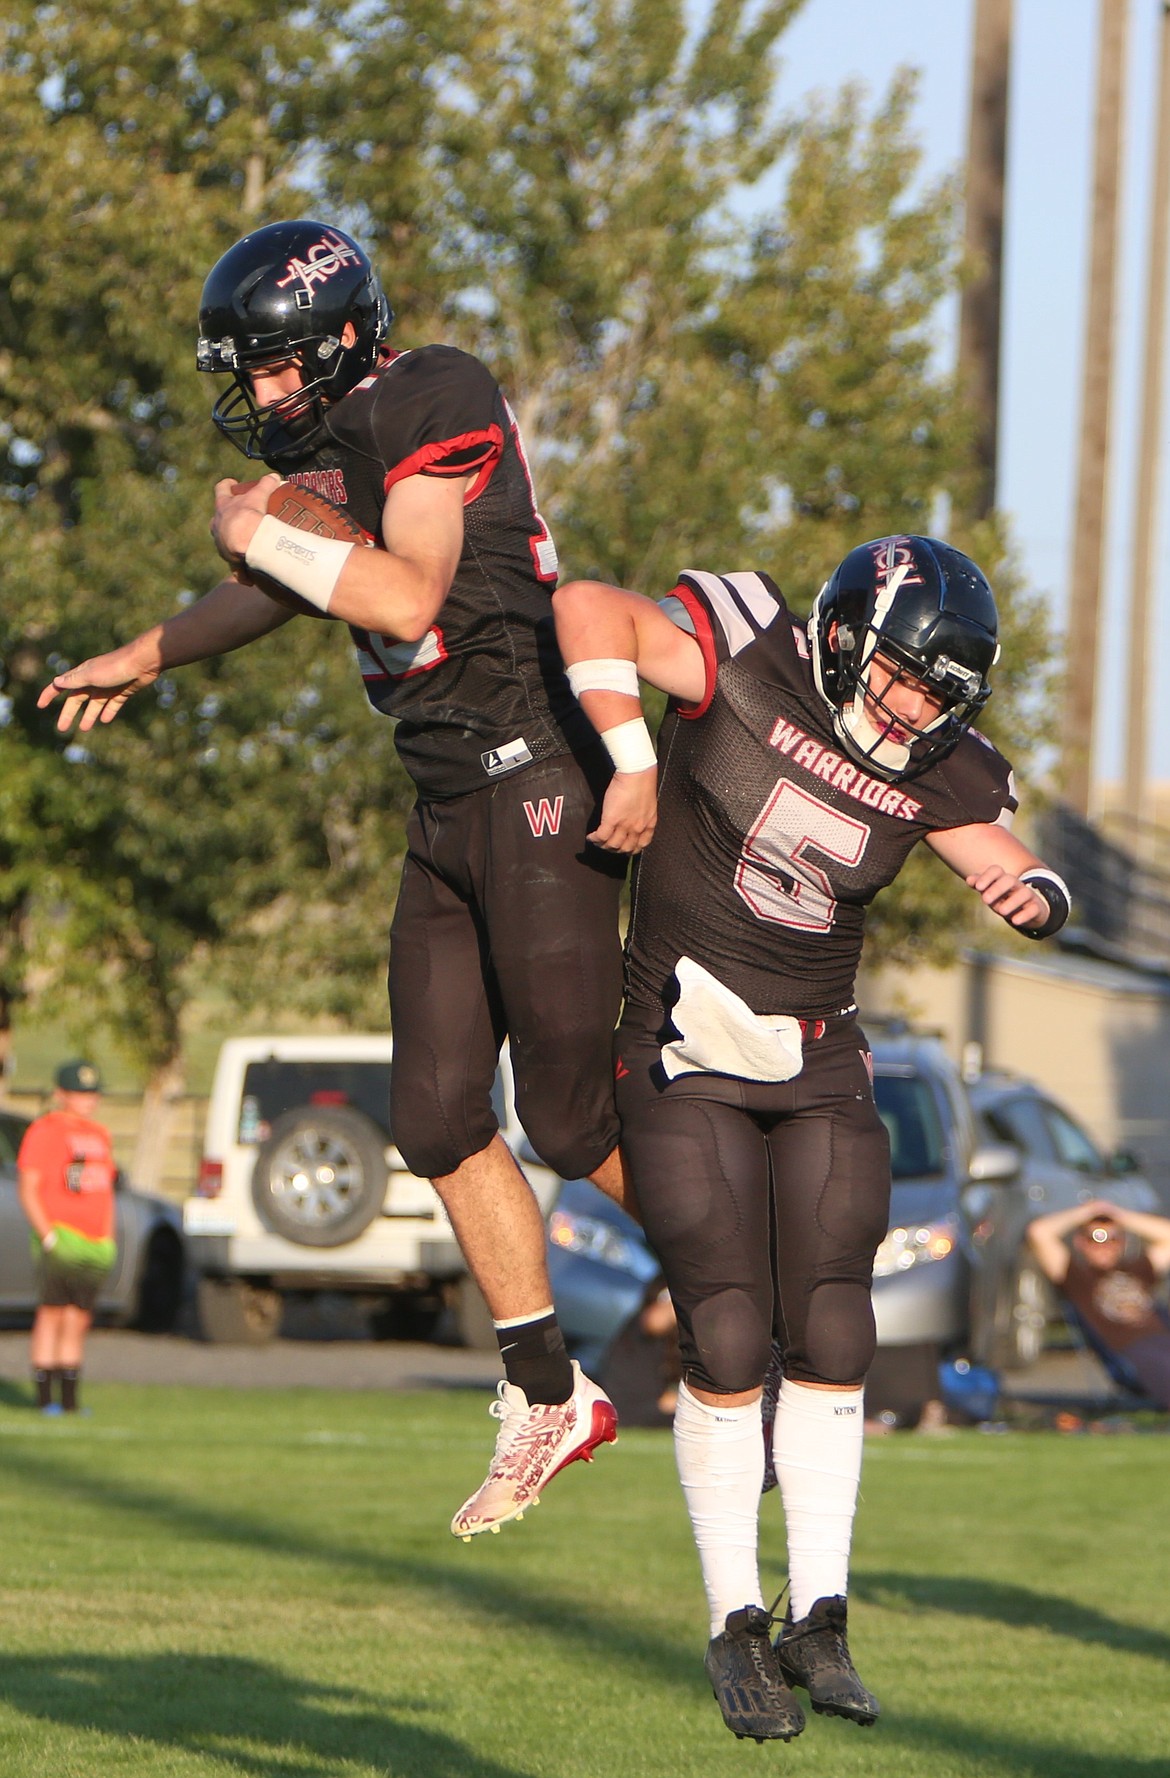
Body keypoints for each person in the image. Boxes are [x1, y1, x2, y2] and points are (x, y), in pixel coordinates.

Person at [37, 219, 628, 1534]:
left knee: (576, 1121)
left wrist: (266, 529)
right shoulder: (329, 451)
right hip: (445, 797)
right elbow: (293, 589)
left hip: (534, 770)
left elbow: (408, 595)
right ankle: (548, 1392)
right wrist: (146, 652)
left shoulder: (434, 390)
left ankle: (733, 1282)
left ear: (344, 338)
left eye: (267, 368)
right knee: (430, 1114)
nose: (253, 397)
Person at [552, 535, 1071, 1743]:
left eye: (942, 693)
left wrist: (1039, 892)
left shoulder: (940, 764)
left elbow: (1005, 858)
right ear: (844, 637)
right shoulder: (744, 648)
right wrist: (630, 759)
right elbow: (584, 607)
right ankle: (736, 1616)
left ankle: (820, 1611)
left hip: (819, 1046)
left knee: (838, 1318)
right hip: (684, 1033)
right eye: (903, 676)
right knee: (728, 1324)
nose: (916, 707)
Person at [17, 1060, 118, 1415]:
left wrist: (108, 1235)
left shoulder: (100, 1136)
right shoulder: (45, 1131)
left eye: (92, 1093)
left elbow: (105, 1191)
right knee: (53, 1313)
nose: (88, 1100)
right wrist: (47, 1236)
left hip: (94, 1242)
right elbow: (29, 1187)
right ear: (61, 1095)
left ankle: (71, 1400)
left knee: (79, 1316)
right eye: (79, 1093)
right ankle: (46, 1399)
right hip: (61, 1237)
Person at [1026, 1198, 1170, 1406]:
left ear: (1123, 1242)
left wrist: (1119, 1215)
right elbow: (1039, 1233)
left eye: (1112, 1238)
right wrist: (1083, 1213)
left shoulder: (1139, 1269)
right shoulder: (1077, 1277)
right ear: (1080, 1242)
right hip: (1130, 1350)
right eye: (1094, 1238)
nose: (1104, 1246)